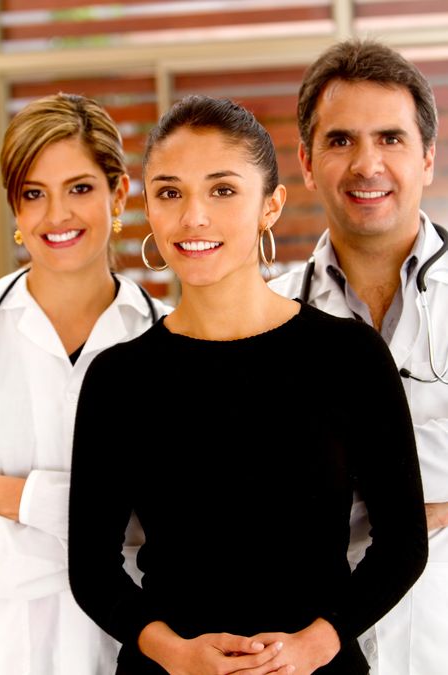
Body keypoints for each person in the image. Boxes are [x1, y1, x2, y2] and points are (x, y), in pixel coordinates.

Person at [68, 93, 427, 675]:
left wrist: (314, 645)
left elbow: (403, 545)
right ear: (148, 212)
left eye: (223, 189)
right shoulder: (117, 378)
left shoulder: (349, 355)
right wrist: (176, 655)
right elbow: (92, 570)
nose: (194, 217)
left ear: (271, 205)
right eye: (169, 192)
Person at [269, 39, 448, 674]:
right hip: (310, 647)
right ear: (308, 163)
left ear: (428, 155)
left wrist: (343, 464)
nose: (367, 164)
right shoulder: (265, 313)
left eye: (391, 139)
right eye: (341, 140)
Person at [0, 92, 171, 675]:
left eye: (79, 188)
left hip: (128, 639)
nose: (57, 216)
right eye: (33, 194)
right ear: (15, 211)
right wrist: (85, 507)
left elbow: (186, 506)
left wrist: (16, 497)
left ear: (119, 193)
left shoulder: (168, 338)